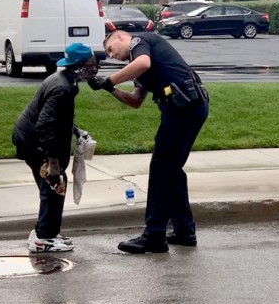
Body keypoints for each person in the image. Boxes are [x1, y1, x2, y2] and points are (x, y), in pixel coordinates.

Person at [89, 30, 209, 254]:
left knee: (161, 169)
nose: (112, 56)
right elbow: (135, 101)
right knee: (171, 170)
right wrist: (110, 88)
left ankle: (154, 235)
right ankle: (184, 231)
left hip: (184, 108)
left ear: (120, 38)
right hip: (187, 107)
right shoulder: (140, 68)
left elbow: (143, 63)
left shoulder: (140, 42)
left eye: (110, 50)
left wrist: (109, 79)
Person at [12, 43, 98, 253]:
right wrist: (52, 161)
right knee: (54, 183)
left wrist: (76, 131)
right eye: (91, 65)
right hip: (34, 142)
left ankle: (45, 232)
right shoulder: (62, 87)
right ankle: (44, 238)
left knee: (54, 185)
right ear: (78, 66)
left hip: (31, 137)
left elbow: (57, 116)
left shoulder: (66, 81)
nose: (95, 69)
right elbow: (45, 124)